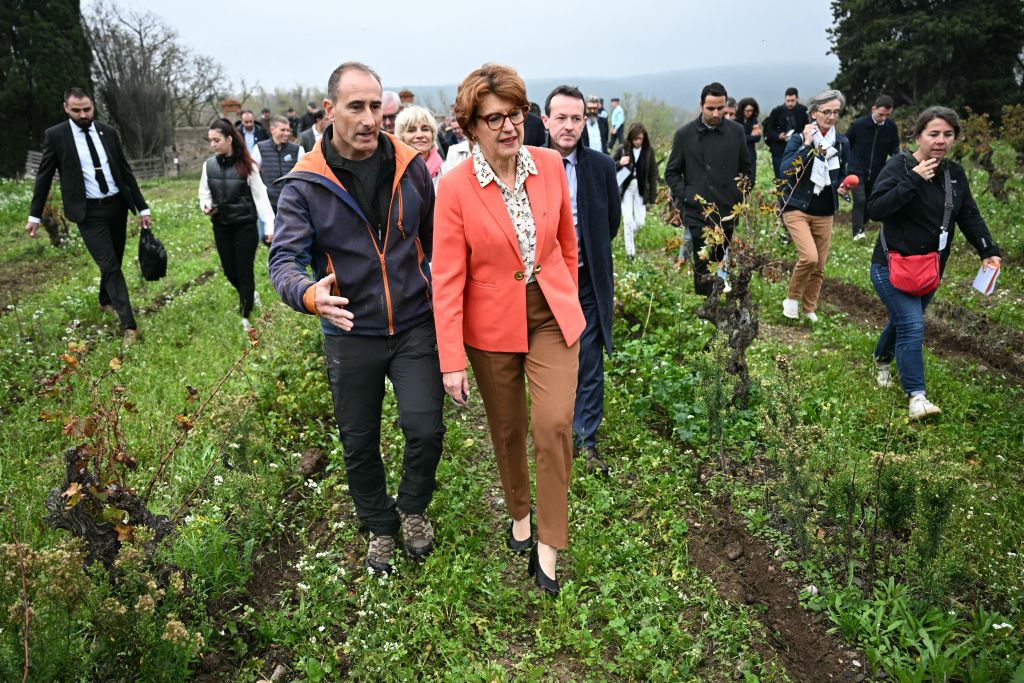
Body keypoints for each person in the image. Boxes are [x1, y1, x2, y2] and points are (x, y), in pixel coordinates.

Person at [269, 62, 443, 574]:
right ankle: (380, 526)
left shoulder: (411, 166)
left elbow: (434, 244)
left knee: (425, 428)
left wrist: (440, 294)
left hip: (414, 324)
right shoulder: (304, 184)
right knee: (359, 438)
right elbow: (283, 260)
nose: (370, 119)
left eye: (376, 106)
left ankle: (411, 508)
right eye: (356, 107)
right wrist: (307, 294)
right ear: (329, 111)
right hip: (350, 331)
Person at [433, 64, 584, 596]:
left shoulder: (548, 164)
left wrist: (564, 292)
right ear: (470, 126)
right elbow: (447, 280)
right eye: (493, 118)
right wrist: (451, 358)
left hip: (551, 317)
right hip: (491, 328)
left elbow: (566, 244)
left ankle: (548, 541)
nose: (507, 126)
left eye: (515, 114)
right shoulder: (453, 190)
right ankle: (518, 510)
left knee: (553, 424)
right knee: (508, 430)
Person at [867, 106, 1001, 420]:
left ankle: (881, 359)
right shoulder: (899, 167)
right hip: (891, 266)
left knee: (903, 320)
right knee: (912, 325)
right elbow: (876, 208)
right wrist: (913, 179)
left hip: (930, 268)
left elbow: (969, 215)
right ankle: (917, 398)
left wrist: (987, 250)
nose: (940, 140)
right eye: (934, 134)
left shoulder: (954, 173)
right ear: (918, 136)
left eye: (948, 134)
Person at [26, 87, 151, 344]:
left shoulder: (108, 132)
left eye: (87, 109)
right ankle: (130, 326)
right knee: (110, 265)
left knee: (113, 258)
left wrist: (142, 207)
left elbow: (125, 172)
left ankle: (105, 300)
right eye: (76, 110)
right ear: (66, 108)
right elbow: (44, 177)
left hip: (116, 206)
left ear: (93, 106)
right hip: (88, 212)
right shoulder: (56, 136)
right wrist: (35, 215)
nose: (83, 115)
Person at [542, 84, 620, 476]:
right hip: (540, 282)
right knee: (550, 358)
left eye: (576, 118)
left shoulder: (601, 167)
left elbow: (611, 224)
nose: (569, 126)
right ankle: (551, 432)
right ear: (546, 121)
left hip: (585, 279)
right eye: (561, 118)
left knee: (589, 356)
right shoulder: (528, 163)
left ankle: (586, 438)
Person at [664, 82, 751, 296]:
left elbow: (747, 168)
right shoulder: (684, 135)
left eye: (720, 108)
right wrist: (688, 195)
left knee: (719, 258)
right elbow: (672, 172)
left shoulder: (736, 132)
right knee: (702, 262)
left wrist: (738, 194)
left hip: (727, 210)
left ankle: (717, 299)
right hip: (697, 211)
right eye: (710, 108)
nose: (715, 113)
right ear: (701, 106)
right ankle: (705, 307)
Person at [778, 90, 850, 323]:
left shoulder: (841, 142)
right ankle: (791, 299)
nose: (831, 117)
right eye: (826, 112)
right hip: (797, 206)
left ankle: (809, 309)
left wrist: (841, 187)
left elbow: (840, 174)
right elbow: (786, 171)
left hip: (825, 210)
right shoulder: (799, 139)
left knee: (819, 265)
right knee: (809, 257)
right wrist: (807, 144)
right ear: (813, 114)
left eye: (835, 112)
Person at [199, 119, 275, 332]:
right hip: (221, 226)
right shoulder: (209, 165)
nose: (212, 144)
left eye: (216, 140)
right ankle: (250, 294)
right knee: (229, 272)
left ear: (229, 139)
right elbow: (204, 192)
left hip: (245, 227)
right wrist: (206, 206)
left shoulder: (247, 166)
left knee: (244, 272)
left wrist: (269, 227)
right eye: (210, 140)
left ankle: (245, 315)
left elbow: (261, 198)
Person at [847, 95, 900, 241]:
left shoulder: (891, 127)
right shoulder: (858, 125)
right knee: (860, 200)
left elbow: (894, 147)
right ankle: (857, 232)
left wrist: (897, 154)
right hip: (856, 169)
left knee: (871, 203)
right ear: (873, 109)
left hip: (878, 172)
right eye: (880, 114)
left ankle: (861, 224)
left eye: (887, 115)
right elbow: (846, 143)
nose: (883, 118)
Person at [612, 123, 657, 260]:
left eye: (640, 138)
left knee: (640, 222)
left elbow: (653, 174)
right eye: (636, 138)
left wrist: (652, 196)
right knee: (628, 221)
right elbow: (610, 166)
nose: (638, 141)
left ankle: (628, 233)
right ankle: (630, 253)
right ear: (631, 138)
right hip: (625, 188)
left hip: (641, 189)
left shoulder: (648, 151)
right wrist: (620, 163)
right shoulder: (623, 149)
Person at [253, 115, 301, 216]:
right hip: (268, 204)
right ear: (272, 130)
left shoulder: (298, 150)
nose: (286, 133)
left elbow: (303, 176)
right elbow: (253, 175)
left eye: (288, 130)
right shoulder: (259, 148)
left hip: (291, 203)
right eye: (283, 130)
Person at [764, 87, 809, 180]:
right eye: (788, 101)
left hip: (798, 149)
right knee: (780, 179)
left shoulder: (804, 111)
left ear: (797, 98)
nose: (790, 103)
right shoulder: (777, 111)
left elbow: (807, 128)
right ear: (785, 99)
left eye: (792, 100)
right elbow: (769, 130)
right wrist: (778, 136)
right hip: (779, 150)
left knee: (797, 179)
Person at [395, 105, 444, 187]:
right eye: (411, 130)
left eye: (425, 129)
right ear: (401, 137)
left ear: (432, 134)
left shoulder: (450, 172)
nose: (420, 135)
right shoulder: (392, 174)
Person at [736, 97, 762, 188]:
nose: (750, 113)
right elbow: (736, 138)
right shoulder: (736, 121)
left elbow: (757, 137)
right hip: (738, 154)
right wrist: (750, 136)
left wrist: (745, 136)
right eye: (747, 110)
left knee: (751, 180)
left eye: (751, 110)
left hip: (751, 154)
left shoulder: (754, 120)